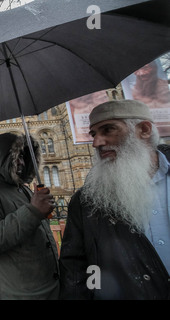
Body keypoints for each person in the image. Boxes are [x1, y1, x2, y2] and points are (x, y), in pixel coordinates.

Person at [59, 99, 170, 300]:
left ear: (144, 130)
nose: (96, 143)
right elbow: (76, 271)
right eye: (93, 134)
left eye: (108, 130)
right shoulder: (85, 201)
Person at [0, 132, 60, 299]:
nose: (22, 163)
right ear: (1, 158)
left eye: (25, 157)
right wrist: (33, 211)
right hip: (15, 295)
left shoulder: (21, 188)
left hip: (43, 290)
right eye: (16, 157)